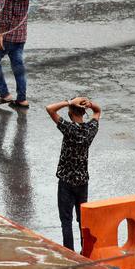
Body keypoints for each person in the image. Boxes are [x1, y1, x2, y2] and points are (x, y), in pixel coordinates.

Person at [46, 96, 102, 252]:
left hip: (66, 181)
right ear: (84, 112)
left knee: (66, 221)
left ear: (70, 112)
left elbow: (50, 108)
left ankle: (69, 253)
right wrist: (89, 104)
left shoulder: (69, 129)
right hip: (83, 182)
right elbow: (98, 111)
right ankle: (85, 251)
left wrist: (68, 102)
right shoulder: (90, 129)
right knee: (82, 220)